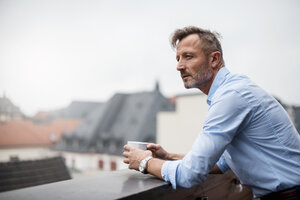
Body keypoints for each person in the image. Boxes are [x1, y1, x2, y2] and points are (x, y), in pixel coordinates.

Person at [123, 26, 300, 199]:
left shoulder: (231, 96)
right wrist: (168, 156)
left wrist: (144, 162)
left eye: (188, 57)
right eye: (178, 58)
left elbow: (190, 174)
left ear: (214, 59)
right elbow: (222, 163)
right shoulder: (234, 89)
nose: (179, 66)